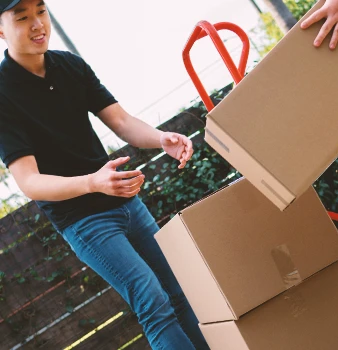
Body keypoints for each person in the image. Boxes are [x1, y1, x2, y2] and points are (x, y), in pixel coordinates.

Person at [0, 0, 210, 349]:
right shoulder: (3, 94)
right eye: (22, 17)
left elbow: (123, 122)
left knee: (180, 293)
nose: (37, 24)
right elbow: (29, 182)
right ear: (2, 29)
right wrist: (92, 182)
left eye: (41, 11)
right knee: (154, 304)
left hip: (128, 204)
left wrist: (162, 139)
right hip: (83, 222)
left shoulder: (70, 66)